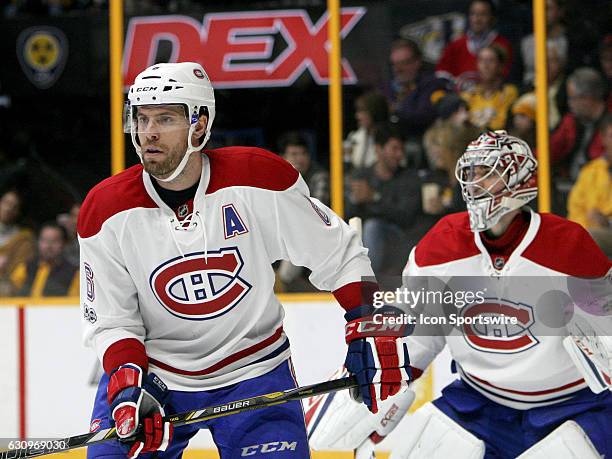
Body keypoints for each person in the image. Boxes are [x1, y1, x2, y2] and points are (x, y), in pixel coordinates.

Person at [78, 62, 411, 459]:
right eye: (142, 118)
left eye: (165, 118)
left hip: (254, 371)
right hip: (156, 378)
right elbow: (113, 319)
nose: (147, 132)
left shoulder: (258, 180)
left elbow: (338, 254)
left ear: (199, 125)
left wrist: (365, 319)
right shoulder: (106, 210)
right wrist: (128, 383)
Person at [309, 131, 612, 458]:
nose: (474, 183)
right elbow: (419, 335)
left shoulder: (568, 247)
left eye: (487, 173)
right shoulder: (443, 244)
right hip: (479, 405)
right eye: (470, 173)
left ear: (519, 180)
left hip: (573, 406)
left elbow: (606, 347)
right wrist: (378, 372)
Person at [345, 123, 422, 278]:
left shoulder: (409, 178)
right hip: (363, 242)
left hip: (399, 241)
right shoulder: (362, 176)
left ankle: (366, 282)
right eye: (394, 149)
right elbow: (346, 214)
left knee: (373, 227)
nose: (399, 154)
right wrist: (354, 200)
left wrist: (374, 198)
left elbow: (406, 217)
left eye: (401, 149)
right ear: (378, 149)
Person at [436, 0, 512, 90]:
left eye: (483, 14)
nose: (477, 19)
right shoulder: (456, 45)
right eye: (473, 14)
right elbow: (441, 73)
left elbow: (506, 75)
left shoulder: (502, 44)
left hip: (492, 98)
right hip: (460, 99)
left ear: (492, 18)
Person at [550, 67, 609, 180]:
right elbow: (549, 151)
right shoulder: (570, 122)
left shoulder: (608, 128)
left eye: (572, 98)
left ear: (587, 98)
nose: (569, 104)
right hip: (568, 185)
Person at [384, 38, 448, 140]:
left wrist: (395, 110)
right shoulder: (389, 88)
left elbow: (424, 116)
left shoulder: (432, 85)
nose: (397, 69)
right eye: (394, 64)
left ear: (417, 62)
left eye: (403, 63)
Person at [567, 114, 612, 256]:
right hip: (589, 232)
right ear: (603, 138)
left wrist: (608, 222)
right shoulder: (590, 171)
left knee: (588, 238)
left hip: (600, 234)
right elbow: (575, 209)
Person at [10, 221, 78, 297]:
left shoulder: (74, 273)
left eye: (54, 241)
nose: (48, 246)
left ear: (64, 244)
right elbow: (11, 293)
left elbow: (74, 303)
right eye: (44, 240)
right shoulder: (25, 268)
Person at [460, 44, 518, 131]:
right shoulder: (468, 95)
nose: (485, 65)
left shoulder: (509, 92)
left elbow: (501, 125)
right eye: (481, 60)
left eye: (491, 61)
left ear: (500, 66)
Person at [0, 189, 35, 296]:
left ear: (18, 212)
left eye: (14, 206)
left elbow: (19, 276)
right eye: (6, 202)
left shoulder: (23, 240)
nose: (8, 208)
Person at [344, 91, 389, 170]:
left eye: (362, 111)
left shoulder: (390, 139)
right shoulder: (353, 137)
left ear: (375, 112)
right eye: (357, 111)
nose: (357, 116)